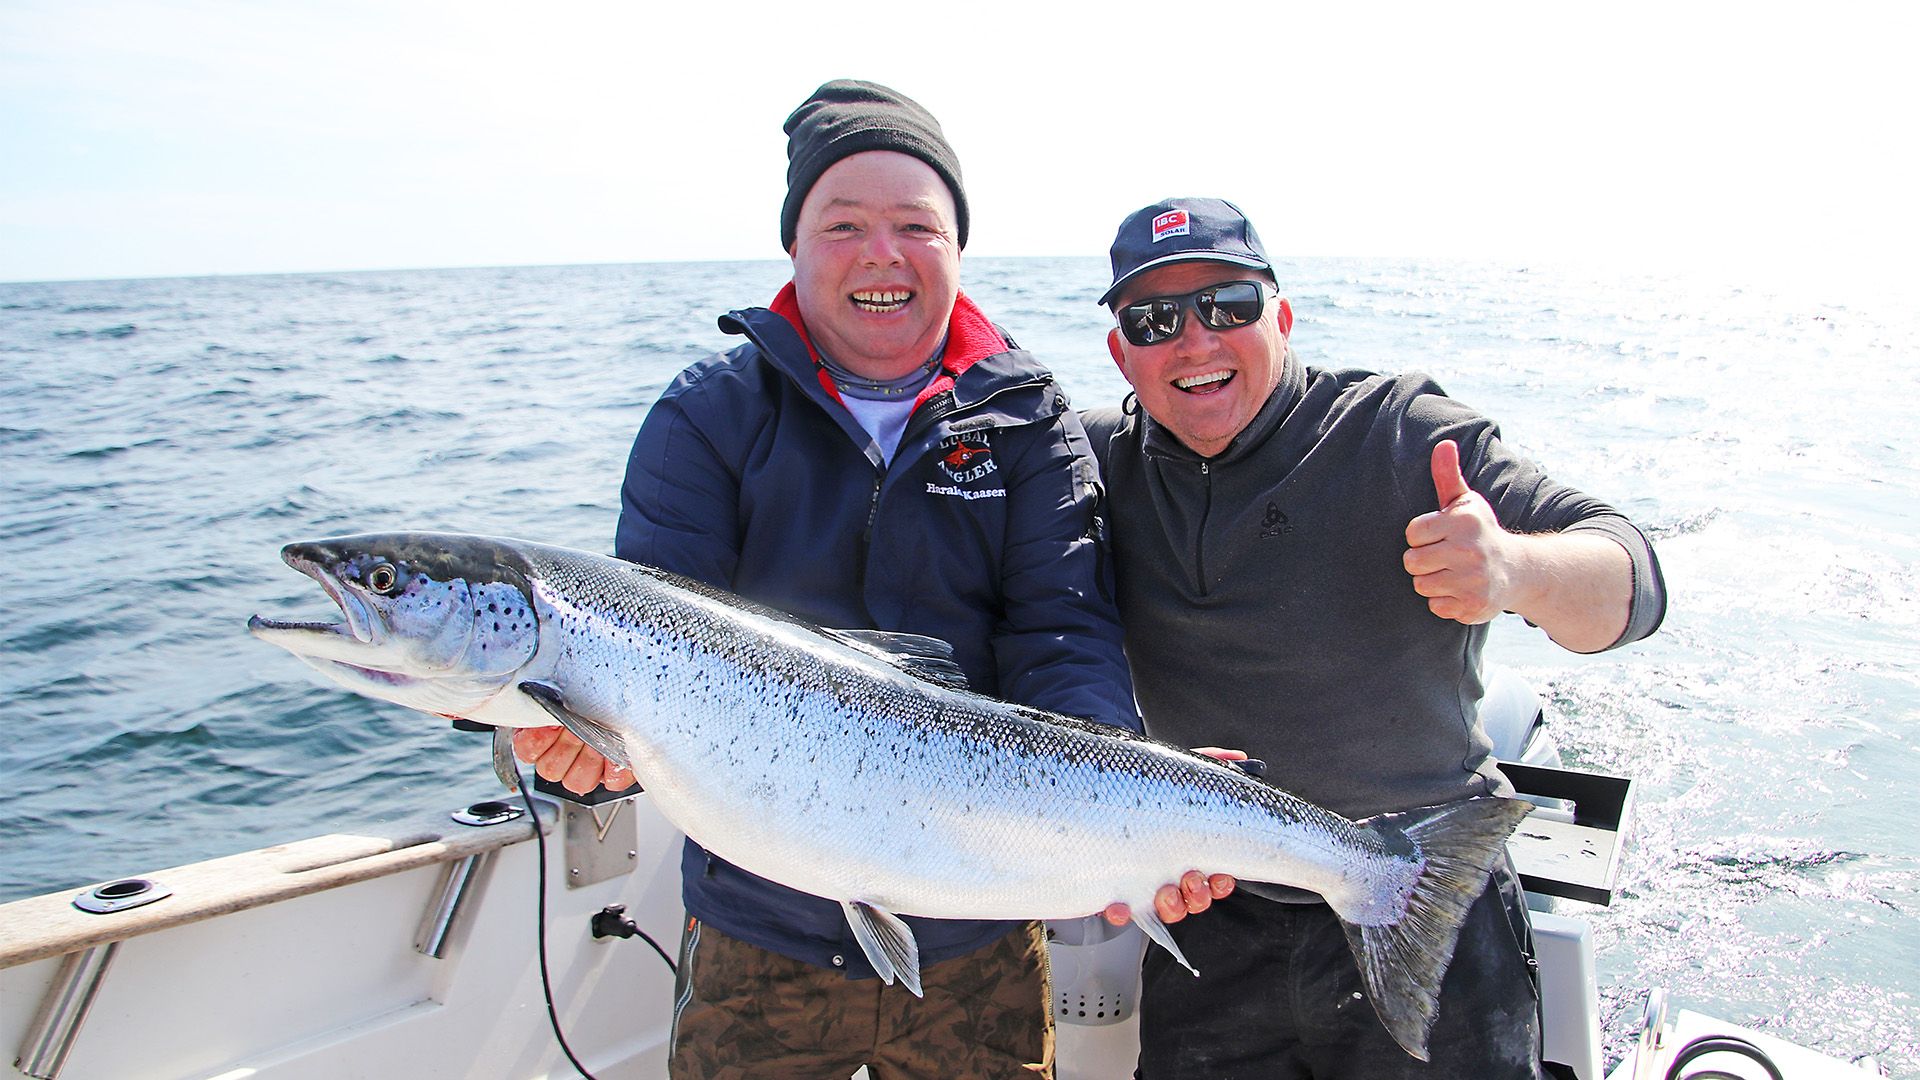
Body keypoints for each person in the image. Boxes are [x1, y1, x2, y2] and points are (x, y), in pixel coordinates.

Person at [514, 79, 1182, 1080]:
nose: (883, 253)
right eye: (844, 224)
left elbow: (1063, 635)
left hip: (979, 919)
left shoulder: (1028, 418)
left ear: (958, 246)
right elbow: (642, 643)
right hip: (758, 929)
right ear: (794, 244)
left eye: (917, 224)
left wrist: (1115, 802)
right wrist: (586, 748)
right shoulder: (711, 417)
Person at [1085, 197, 1667, 1079]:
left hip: (1423, 875)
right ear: (1121, 353)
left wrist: (1514, 570)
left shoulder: (1402, 433)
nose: (1196, 341)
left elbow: (1635, 583)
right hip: (1215, 912)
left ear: (1280, 317)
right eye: (1156, 319)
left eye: (1229, 306)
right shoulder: (1090, 465)